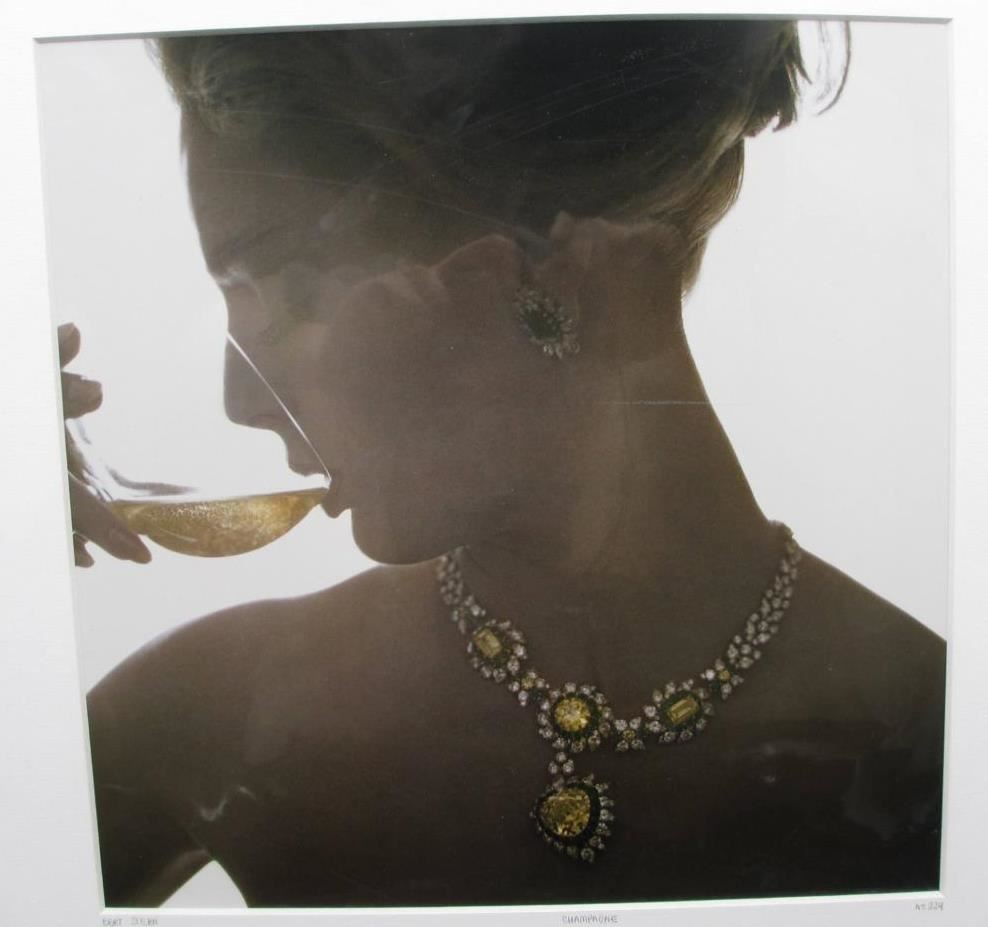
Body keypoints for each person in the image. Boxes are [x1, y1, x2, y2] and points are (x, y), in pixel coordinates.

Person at [65, 20, 945, 907]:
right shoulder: (211, 718)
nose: (242, 400)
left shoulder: (934, 752)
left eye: (289, 292)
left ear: (540, 257)